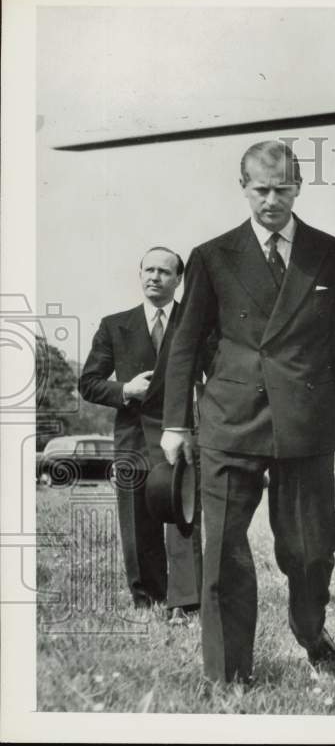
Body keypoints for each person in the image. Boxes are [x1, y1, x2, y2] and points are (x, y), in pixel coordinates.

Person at [160, 140, 335, 684]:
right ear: (242, 186)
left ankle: (310, 629)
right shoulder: (211, 256)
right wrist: (177, 423)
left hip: (305, 424)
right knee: (222, 552)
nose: (271, 200)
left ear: (299, 186)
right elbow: (184, 343)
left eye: (282, 188)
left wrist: (333, 415)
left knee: (312, 551)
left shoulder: (334, 255)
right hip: (230, 419)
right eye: (261, 189)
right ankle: (229, 676)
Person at [79, 247, 202, 622]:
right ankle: (148, 599)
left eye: (165, 272)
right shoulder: (115, 324)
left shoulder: (196, 321)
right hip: (132, 437)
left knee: (182, 515)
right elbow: (88, 383)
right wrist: (125, 390)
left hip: (182, 433)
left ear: (179, 279)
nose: (155, 277)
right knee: (137, 519)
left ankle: (186, 601)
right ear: (139, 274)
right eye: (148, 269)